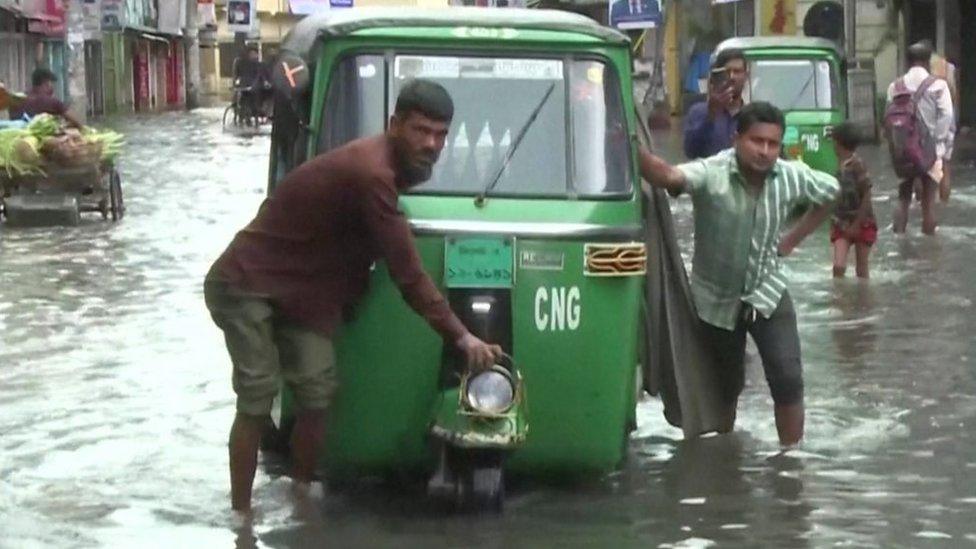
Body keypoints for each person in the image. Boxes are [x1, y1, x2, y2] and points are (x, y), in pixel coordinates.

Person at [205, 79, 503, 512]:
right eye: (421, 131)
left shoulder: (388, 172)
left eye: (441, 134)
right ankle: (241, 520)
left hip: (302, 294)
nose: (432, 144)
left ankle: (302, 495)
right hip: (245, 283)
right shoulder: (373, 173)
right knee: (256, 393)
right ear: (393, 124)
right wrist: (463, 338)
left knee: (318, 391)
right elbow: (409, 275)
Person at [638, 102, 839, 447]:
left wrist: (792, 240)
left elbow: (832, 192)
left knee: (788, 378)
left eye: (772, 144)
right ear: (737, 139)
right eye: (756, 141)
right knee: (725, 386)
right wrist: (626, 144)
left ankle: (791, 461)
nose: (764, 151)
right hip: (716, 299)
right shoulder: (713, 173)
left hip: (768, 293)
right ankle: (724, 455)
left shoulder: (792, 176)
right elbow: (668, 176)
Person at [887, 42, 954, 235]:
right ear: (927, 61)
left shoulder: (895, 86)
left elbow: (888, 118)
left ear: (908, 62)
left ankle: (899, 240)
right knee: (928, 203)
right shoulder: (938, 85)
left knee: (903, 198)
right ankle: (929, 252)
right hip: (929, 151)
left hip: (903, 149)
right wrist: (938, 142)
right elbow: (947, 116)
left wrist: (896, 146)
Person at [829, 122, 876, 279]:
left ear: (838, 143)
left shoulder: (858, 165)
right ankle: (840, 299)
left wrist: (857, 224)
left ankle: (862, 301)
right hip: (841, 222)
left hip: (862, 222)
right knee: (838, 266)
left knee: (861, 270)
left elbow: (867, 194)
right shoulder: (840, 164)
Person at [683, 48, 748, 159]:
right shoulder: (698, 112)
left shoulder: (752, 115)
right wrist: (710, 115)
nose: (732, 77)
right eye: (727, 72)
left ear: (746, 76)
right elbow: (691, 152)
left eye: (737, 71)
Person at [9, 68, 83, 128]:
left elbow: (13, 120)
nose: (52, 87)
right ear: (46, 83)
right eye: (51, 83)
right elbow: (77, 122)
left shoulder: (17, 99)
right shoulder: (52, 102)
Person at [232, 45, 270, 120]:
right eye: (252, 53)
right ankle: (244, 114)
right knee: (247, 99)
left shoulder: (258, 64)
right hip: (249, 86)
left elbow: (260, 75)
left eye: (254, 54)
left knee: (251, 100)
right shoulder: (244, 63)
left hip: (252, 86)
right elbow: (238, 74)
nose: (253, 55)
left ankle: (248, 114)